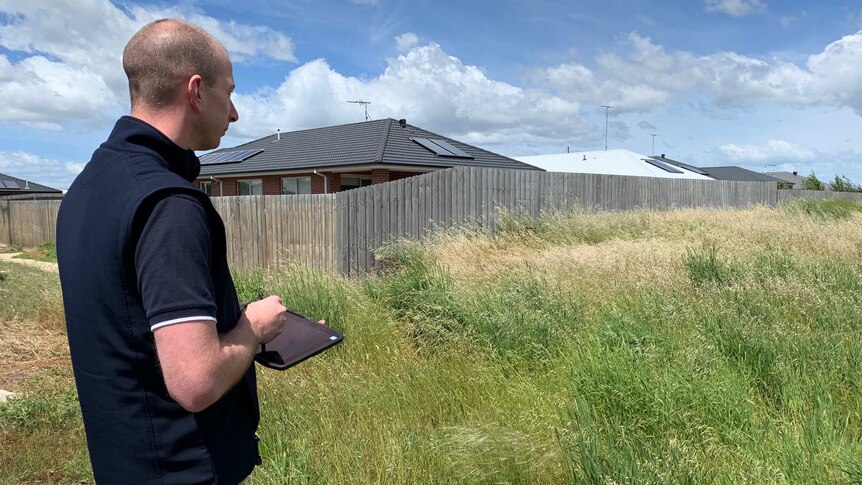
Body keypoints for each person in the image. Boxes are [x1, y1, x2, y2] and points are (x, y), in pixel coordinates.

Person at [56, 19, 287, 484]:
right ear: (196, 90)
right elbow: (195, 380)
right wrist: (253, 328)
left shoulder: (90, 186)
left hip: (123, 460)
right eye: (230, 92)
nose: (236, 113)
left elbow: (136, 321)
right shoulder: (169, 204)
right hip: (182, 468)